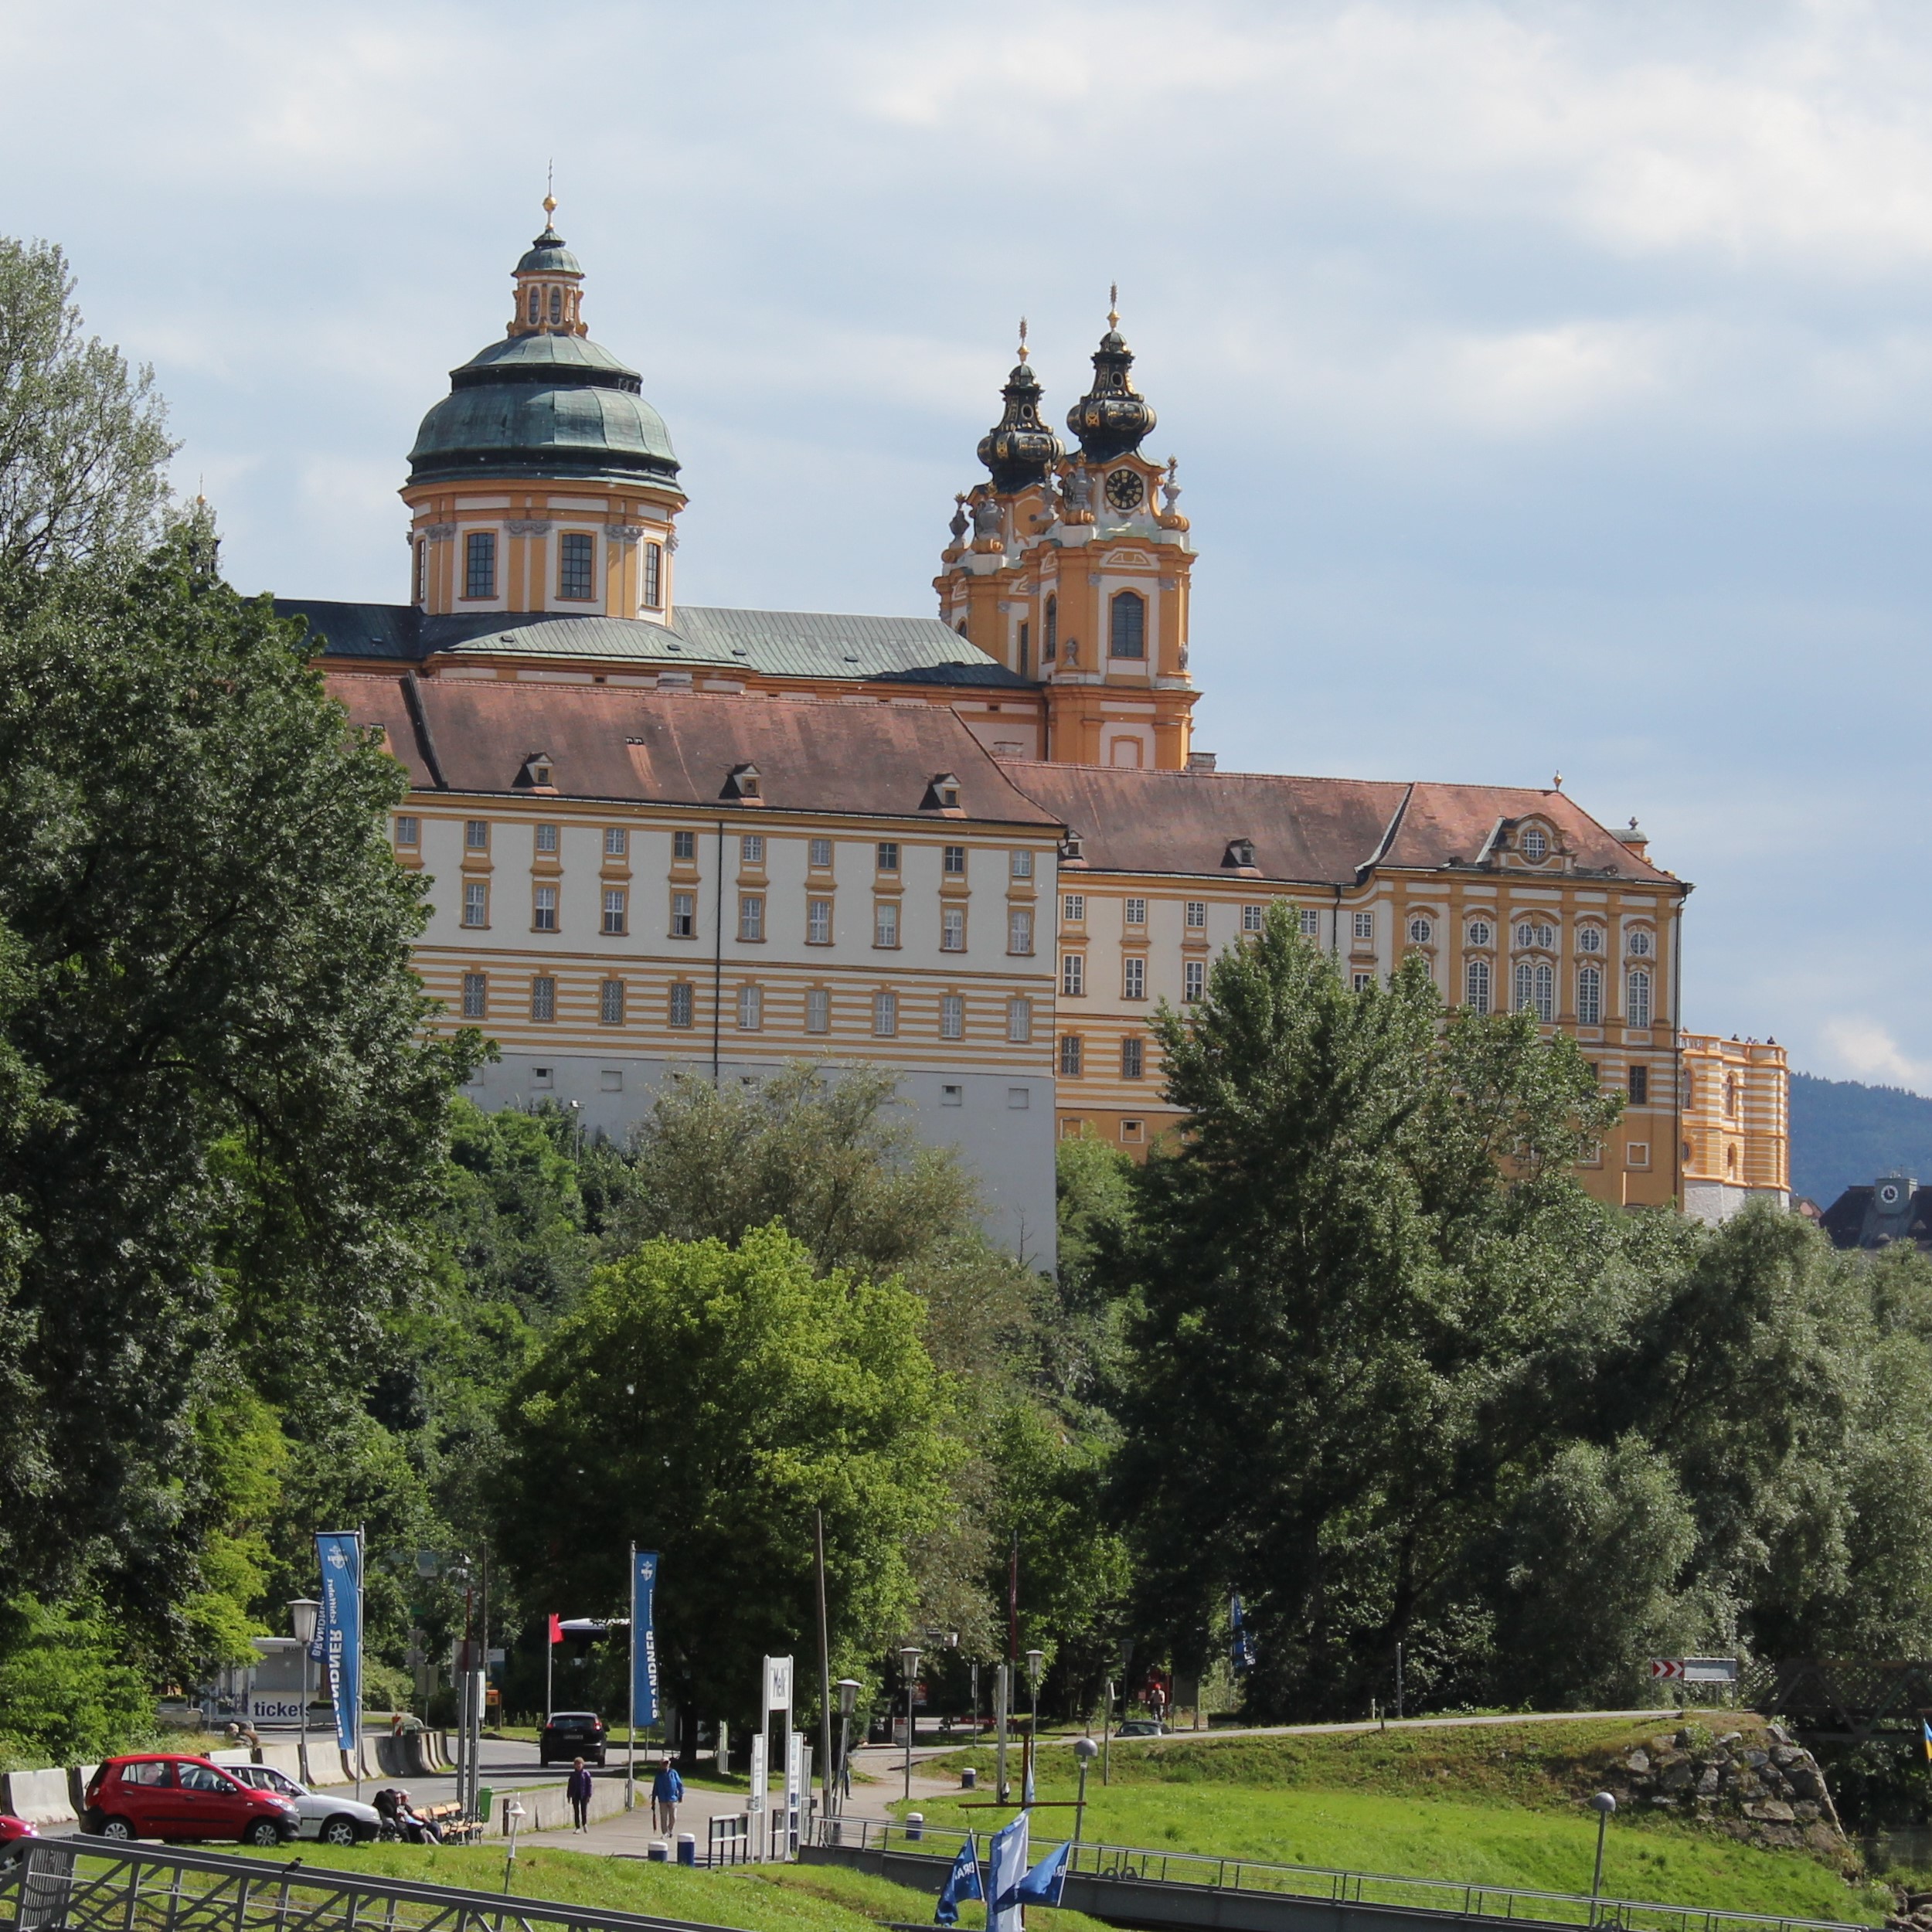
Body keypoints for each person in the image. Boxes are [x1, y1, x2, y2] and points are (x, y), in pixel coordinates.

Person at [651, 1758, 683, 1835]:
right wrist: (653, 1799)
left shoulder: (673, 1773)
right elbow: (655, 1787)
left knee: (673, 1817)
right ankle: (665, 1833)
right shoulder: (658, 1775)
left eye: (667, 1763)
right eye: (664, 1763)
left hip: (673, 1798)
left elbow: (679, 1784)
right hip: (662, 1799)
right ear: (661, 1765)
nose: (666, 1765)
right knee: (664, 1818)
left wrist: (681, 1795)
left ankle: (670, 1830)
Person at [566, 1756, 594, 1832]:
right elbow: (570, 1785)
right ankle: (577, 1827)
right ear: (574, 1765)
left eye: (580, 1764)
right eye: (577, 1764)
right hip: (575, 1794)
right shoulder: (573, 1775)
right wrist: (569, 1795)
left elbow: (589, 1785)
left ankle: (584, 1824)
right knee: (576, 1811)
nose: (578, 1766)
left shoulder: (586, 1774)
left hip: (584, 1794)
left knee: (583, 1810)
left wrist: (589, 1795)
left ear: (583, 1765)